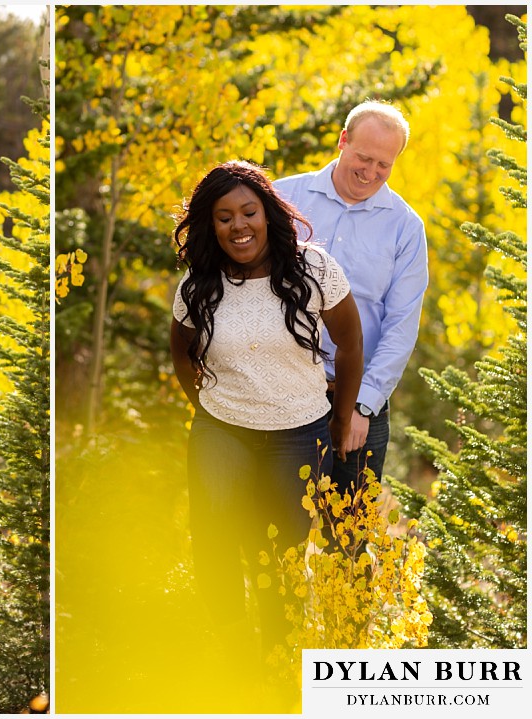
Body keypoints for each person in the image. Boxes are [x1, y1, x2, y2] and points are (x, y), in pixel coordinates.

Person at [169, 161, 364, 668]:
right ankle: (235, 653)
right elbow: (180, 351)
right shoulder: (199, 283)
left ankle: (278, 654)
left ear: (267, 213)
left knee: (279, 548)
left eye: (249, 212)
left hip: (299, 433)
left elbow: (349, 343)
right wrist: (211, 410)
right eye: (224, 216)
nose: (239, 226)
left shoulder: (312, 268)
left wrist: (341, 420)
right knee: (213, 536)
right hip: (222, 429)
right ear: (210, 226)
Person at [274, 100, 429, 494]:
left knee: (348, 539)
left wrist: (363, 405)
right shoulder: (281, 199)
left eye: (384, 164)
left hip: (360, 400)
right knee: (272, 524)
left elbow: (401, 326)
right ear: (343, 140)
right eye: (364, 157)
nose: (371, 172)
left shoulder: (406, 228)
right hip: (281, 388)